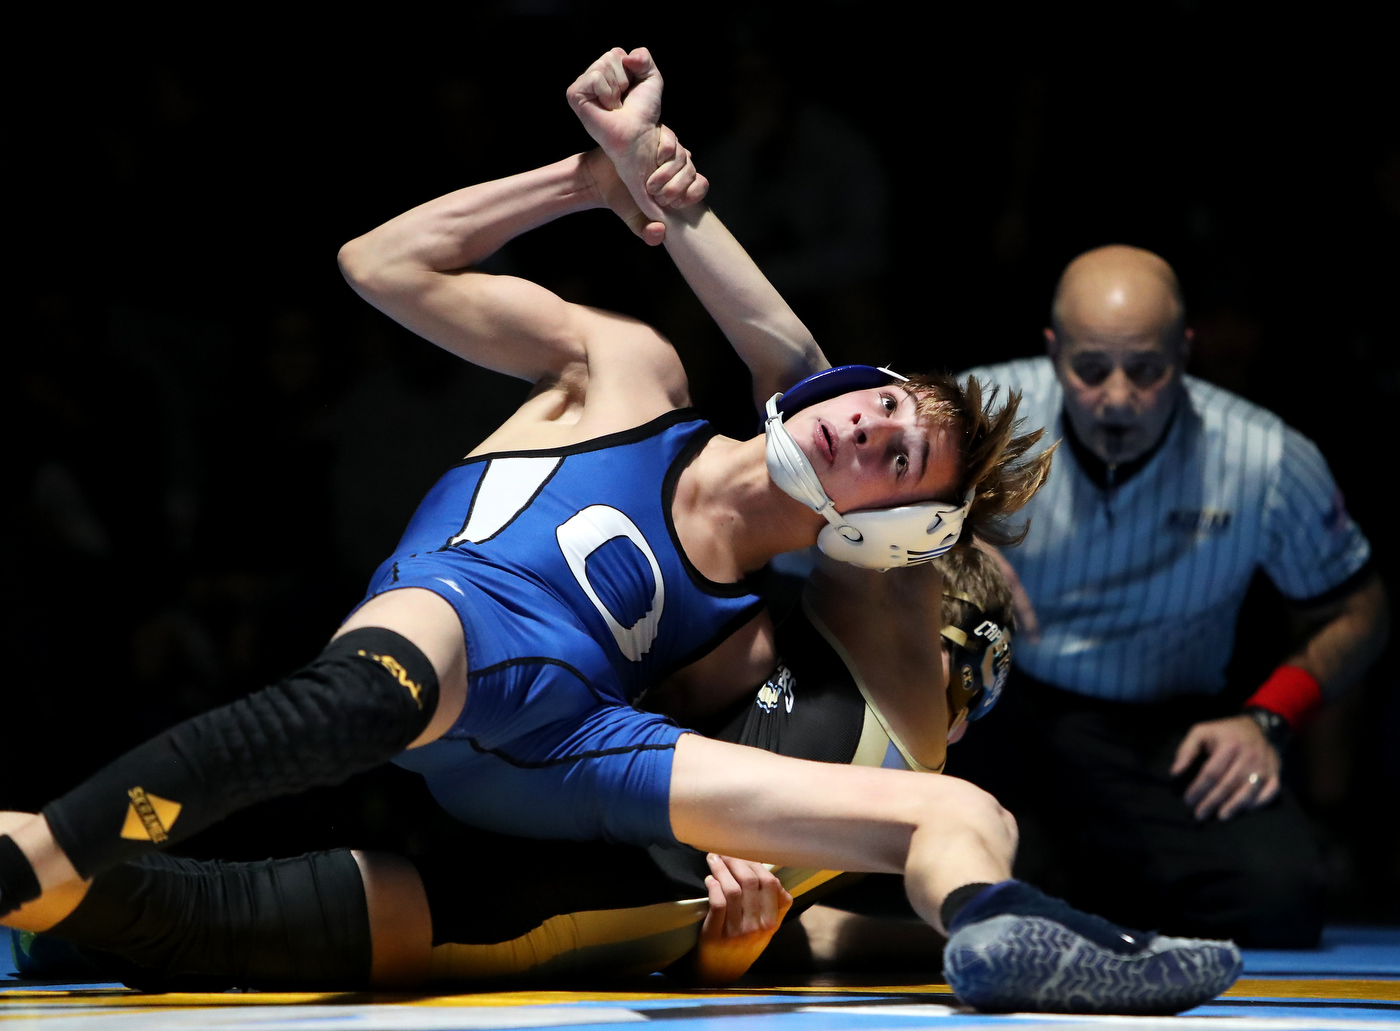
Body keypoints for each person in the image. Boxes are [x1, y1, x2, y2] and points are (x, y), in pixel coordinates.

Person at [0, 50, 1237, 1014]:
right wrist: (598, 180)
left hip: (579, 750)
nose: (871, 420)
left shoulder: (774, 630)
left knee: (959, 810)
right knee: (389, 679)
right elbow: (379, 263)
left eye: (898, 446)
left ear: (888, 531)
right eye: (881, 398)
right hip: (461, 622)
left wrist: (725, 954)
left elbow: (811, 913)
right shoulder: (630, 371)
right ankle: (49, 848)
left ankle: (1016, 931)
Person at [2, 548, 1013, 990]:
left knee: (146, 907)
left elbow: (783, 935)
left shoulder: (867, 812)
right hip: (458, 878)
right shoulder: (779, 663)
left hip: (458, 898)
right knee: (148, 895)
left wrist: (729, 950)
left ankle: (46, 932)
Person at [958, 244, 1390, 947]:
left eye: (1148, 370)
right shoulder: (973, 414)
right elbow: (821, 521)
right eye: (1091, 370)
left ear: (1185, 353)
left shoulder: (1266, 458)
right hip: (995, 710)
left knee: (1280, 898)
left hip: (1162, 725)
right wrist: (939, 545)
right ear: (1052, 351)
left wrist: (1270, 717)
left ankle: (1070, 884)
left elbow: (1361, 609)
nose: (1119, 397)